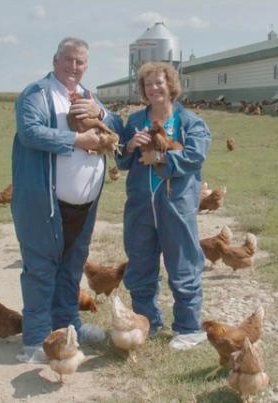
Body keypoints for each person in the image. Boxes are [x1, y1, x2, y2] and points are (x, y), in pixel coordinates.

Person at [11, 37, 121, 363]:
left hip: (84, 203)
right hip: (45, 200)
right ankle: (35, 340)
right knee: (41, 268)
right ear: (55, 60)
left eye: (80, 62)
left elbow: (117, 126)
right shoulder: (37, 94)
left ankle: (69, 326)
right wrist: (77, 139)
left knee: (72, 269)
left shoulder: (89, 97)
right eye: (68, 60)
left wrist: (100, 111)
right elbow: (30, 131)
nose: (74, 67)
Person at [116, 62, 211, 350]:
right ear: (142, 90)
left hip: (176, 204)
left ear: (171, 85)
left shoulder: (190, 122)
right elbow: (120, 160)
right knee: (140, 264)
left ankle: (188, 327)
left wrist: (161, 159)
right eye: (148, 84)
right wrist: (131, 145)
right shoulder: (134, 121)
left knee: (183, 264)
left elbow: (195, 157)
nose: (154, 88)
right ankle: (148, 323)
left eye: (159, 82)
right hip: (141, 205)